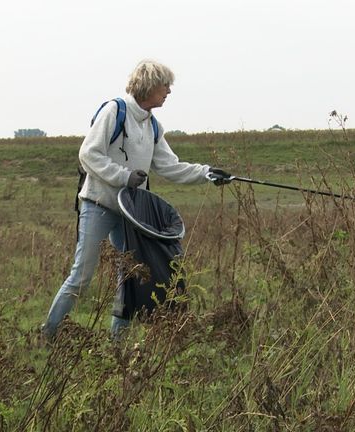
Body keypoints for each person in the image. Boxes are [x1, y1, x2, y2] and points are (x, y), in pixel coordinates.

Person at [42, 59, 231, 340]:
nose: (168, 91)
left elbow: (170, 166)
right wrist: (124, 176)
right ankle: (49, 336)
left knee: (130, 276)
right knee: (81, 276)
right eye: (165, 86)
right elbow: (88, 154)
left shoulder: (153, 125)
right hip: (98, 205)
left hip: (129, 213)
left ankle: (117, 344)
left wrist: (207, 173)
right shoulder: (114, 111)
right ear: (149, 86)